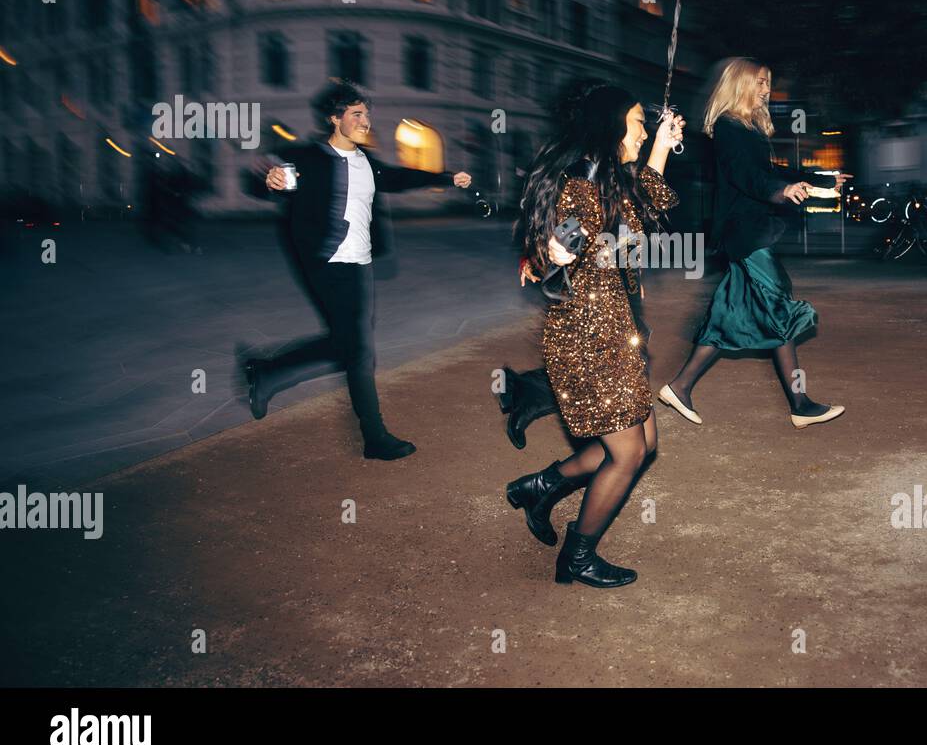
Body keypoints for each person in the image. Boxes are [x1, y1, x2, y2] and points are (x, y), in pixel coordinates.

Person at [505, 81, 683, 588]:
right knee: (627, 453)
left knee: (641, 442)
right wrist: (547, 258)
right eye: (637, 121)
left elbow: (658, 198)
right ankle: (576, 559)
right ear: (610, 126)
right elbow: (546, 253)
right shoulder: (580, 181)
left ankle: (538, 486)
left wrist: (661, 147)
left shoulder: (614, 177)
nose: (644, 128)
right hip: (587, 337)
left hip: (615, 331)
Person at [240, 79, 471, 460]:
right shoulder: (307, 157)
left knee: (346, 344)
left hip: (360, 264)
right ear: (335, 119)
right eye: (357, 114)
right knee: (360, 351)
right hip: (325, 262)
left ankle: (266, 371)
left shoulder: (367, 163)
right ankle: (374, 436)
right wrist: (269, 178)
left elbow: (400, 177)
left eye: (366, 113)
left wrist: (446, 178)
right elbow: (261, 176)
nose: (366, 120)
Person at [657, 57, 848, 429]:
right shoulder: (729, 127)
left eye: (768, 83)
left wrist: (821, 180)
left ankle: (679, 387)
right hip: (745, 235)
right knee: (779, 308)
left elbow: (769, 172)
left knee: (729, 316)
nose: (766, 89)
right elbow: (747, 178)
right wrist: (781, 190)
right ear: (741, 84)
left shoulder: (747, 128)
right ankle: (800, 404)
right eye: (760, 82)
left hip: (749, 232)